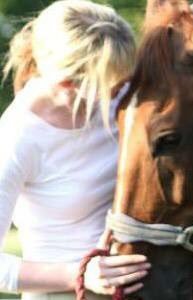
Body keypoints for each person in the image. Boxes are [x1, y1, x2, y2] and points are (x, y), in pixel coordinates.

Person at [0, 1, 151, 299]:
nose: (116, 92)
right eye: (105, 82)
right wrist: (81, 273)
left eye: (119, 79)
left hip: (144, 287)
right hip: (66, 293)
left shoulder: (115, 93)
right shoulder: (17, 137)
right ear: (67, 80)